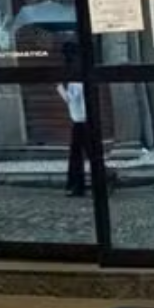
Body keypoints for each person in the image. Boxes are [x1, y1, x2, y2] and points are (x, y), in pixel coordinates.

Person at [56, 43, 91, 197]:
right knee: (86, 154)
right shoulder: (82, 70)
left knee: (77, 155)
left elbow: (70, 99)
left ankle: (77, 186)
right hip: (86, 120)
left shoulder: (74, 75)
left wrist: (59, 88)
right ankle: (79, 185)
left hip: (80, 121)